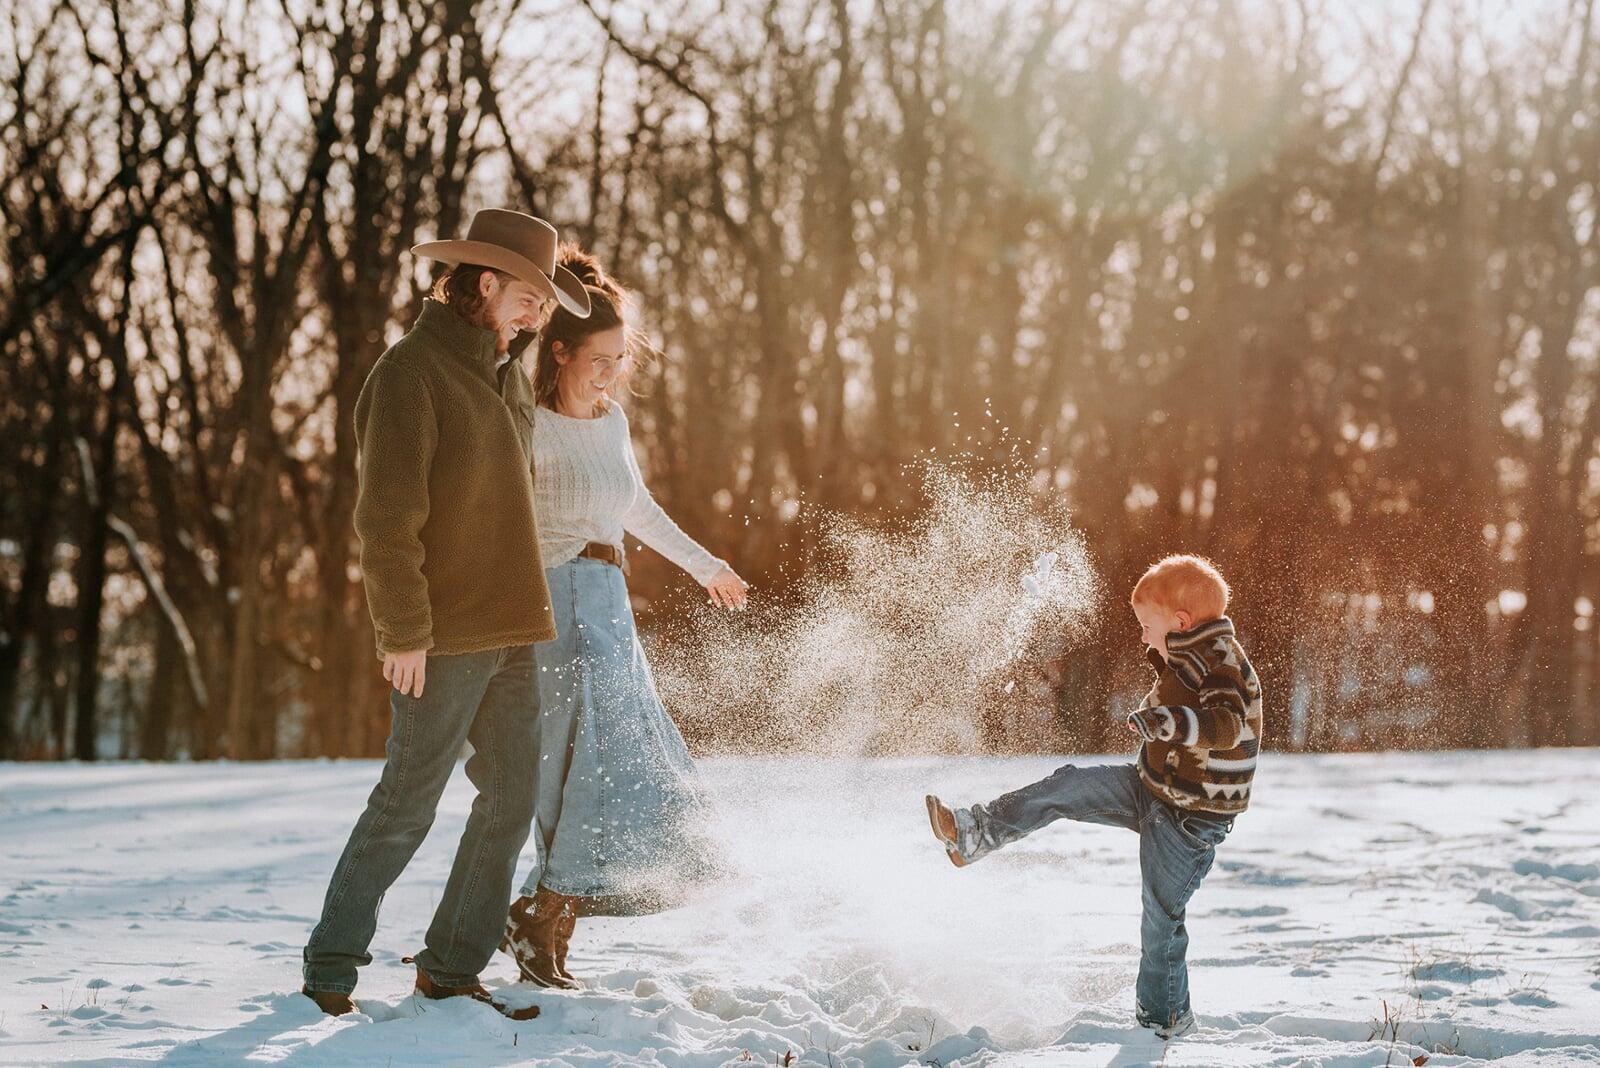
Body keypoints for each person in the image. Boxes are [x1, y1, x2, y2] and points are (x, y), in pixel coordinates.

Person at [300, 209, 590, 1020]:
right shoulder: (410, 374)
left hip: (515, 628)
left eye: (544, 305)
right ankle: (329, 969)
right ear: (485, 284)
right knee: (406, 804)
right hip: (443, 637)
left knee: (510, 800)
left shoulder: (505, 375)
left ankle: (453, 967)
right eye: (529, 298)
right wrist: (403, 633)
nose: (537, 315)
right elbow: (386, 521)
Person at [499, 246, 747, 990]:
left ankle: (547, 916)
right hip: (556, 606)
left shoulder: (611, 423)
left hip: (609, 605)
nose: (610, 374)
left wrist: (707, 566)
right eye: (598, 360)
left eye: (619, 360)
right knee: (583, 764)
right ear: (561, 352)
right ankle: (544, 911)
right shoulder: (528, 422)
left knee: (627, 758)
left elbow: (637, 507)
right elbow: (497, 519)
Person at [925, 554, 1262, 1040]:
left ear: (1181, 622)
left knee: (1161, 921)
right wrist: (1158, 707)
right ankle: (974, 833)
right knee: (1068, 785)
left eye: (1147, 626)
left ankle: (1164, 1021)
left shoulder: (1222, 663)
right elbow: (1175, 697)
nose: (1143, 637)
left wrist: (1165, 721)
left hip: (1191, 819)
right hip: (1151, 788)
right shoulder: (1187, 653)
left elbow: (1226, 726)